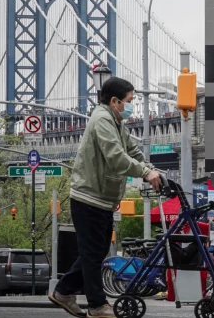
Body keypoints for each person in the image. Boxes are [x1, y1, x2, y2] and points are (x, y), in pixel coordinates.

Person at [49, 77, 162, 318]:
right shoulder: (102, 120)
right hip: (88, 197)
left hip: (102, 198)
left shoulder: (116, 121)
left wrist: (150, 168)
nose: (131, 106)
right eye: (129, 101)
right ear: (114, 101)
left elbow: (131, 150)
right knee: (92, 253)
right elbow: (116, 157)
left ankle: (64, 291)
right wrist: (144, 172)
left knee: (97, 252)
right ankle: (97, 305)